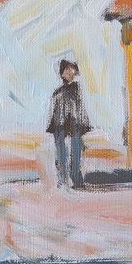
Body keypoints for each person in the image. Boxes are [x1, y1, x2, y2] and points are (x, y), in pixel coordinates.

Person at [46, 58, 91, 189]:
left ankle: (76, 178)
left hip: (75, 122)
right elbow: (54, 111)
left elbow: (80, 108)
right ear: (62, 72)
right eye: (67, 69)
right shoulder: (57, 92)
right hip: (59, 123)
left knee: (76, 149)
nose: (70, 72)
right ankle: (62, 179)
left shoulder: (76, 89)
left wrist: (82, 123)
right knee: (61, 150)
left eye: (72, 69)